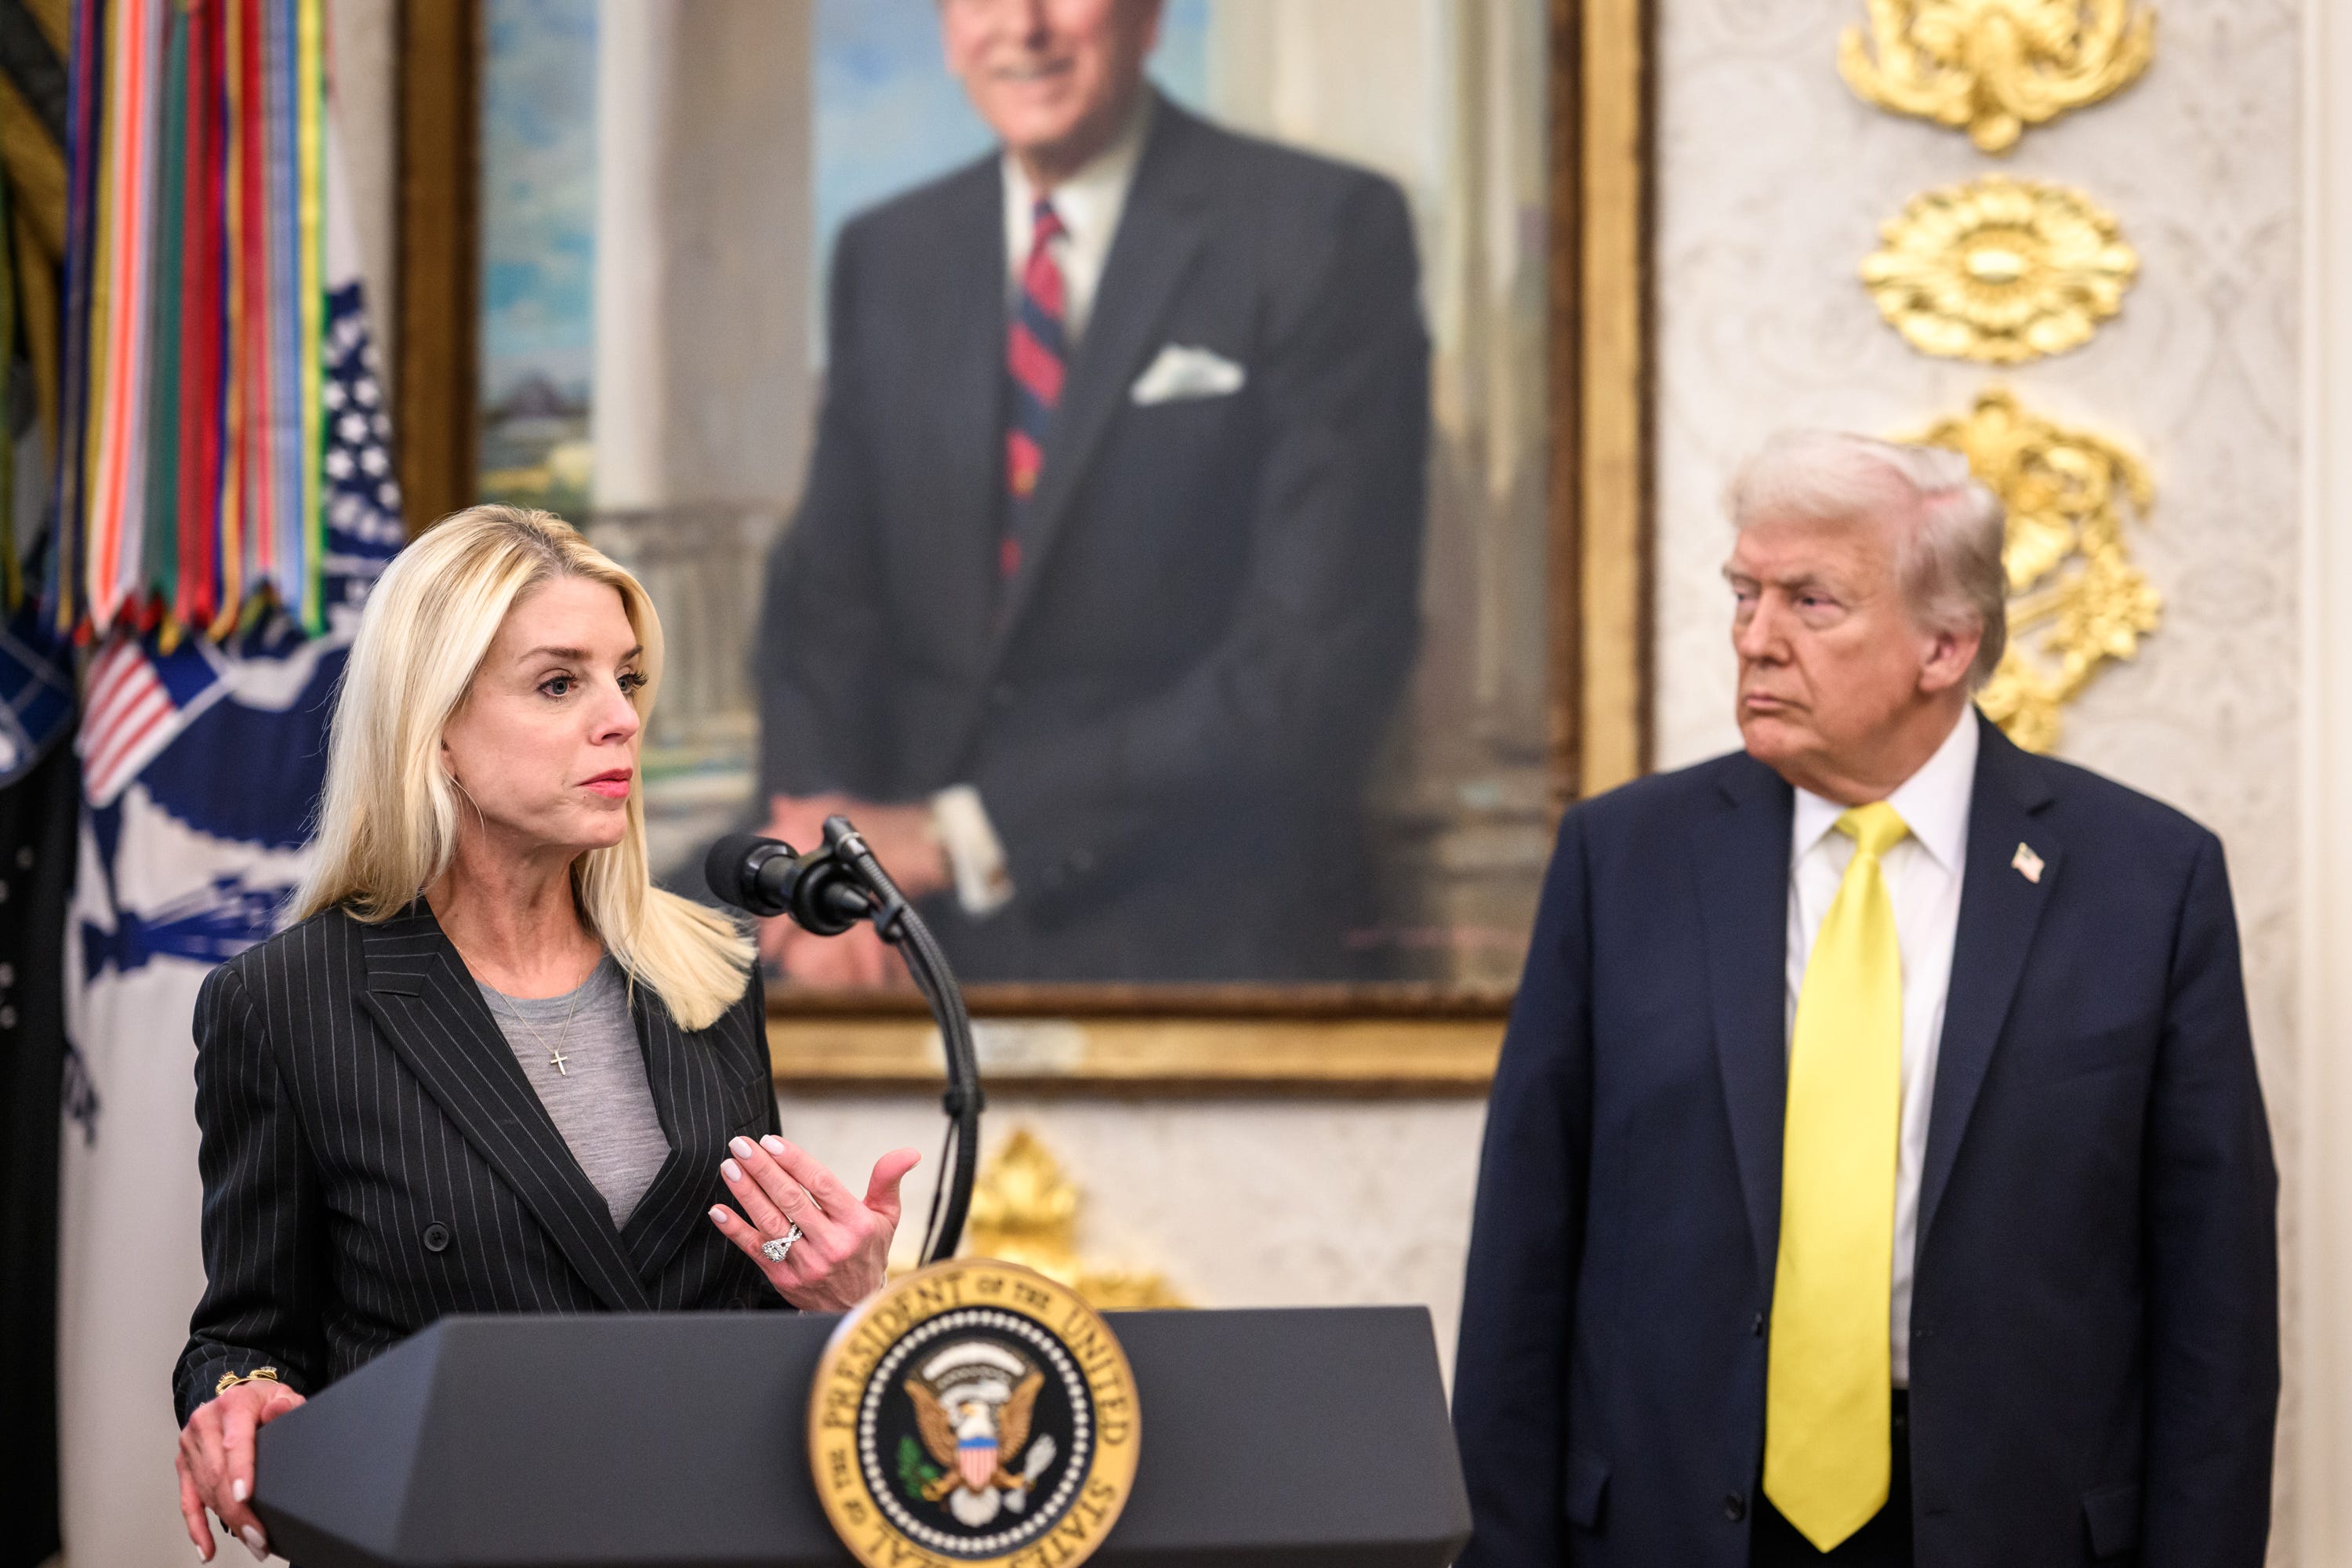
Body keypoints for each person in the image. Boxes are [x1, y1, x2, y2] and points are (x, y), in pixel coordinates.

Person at [1451, 433, 2278, 1566]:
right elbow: (1523, 1252)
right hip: (1678, 1519)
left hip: (2010, 1526)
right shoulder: (1623, 859)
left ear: (1946, 644)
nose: (1756, 638)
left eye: (1811, 602)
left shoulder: (2146, 880)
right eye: (1744, 593)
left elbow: (2216, 1305)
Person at [170, 507, 922, 1563]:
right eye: (560, 683)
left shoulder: (707, 967)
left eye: (628, 678)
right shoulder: (283, 1002)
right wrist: (237, 1394)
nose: (620, 719)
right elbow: (246, 1335)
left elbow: (749, 1311)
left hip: (706, 1538)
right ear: (434, 724)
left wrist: (844, 1301)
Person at [754, 0, 1429, 985]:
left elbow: (1312, 663)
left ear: (1149, 16)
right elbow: (821, 604)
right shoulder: (888, 251)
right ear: (947, 30)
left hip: (1185, 895)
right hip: (887, 887)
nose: (1022, 27)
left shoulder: (1320, 230)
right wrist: (825, 853)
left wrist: (957, 836)